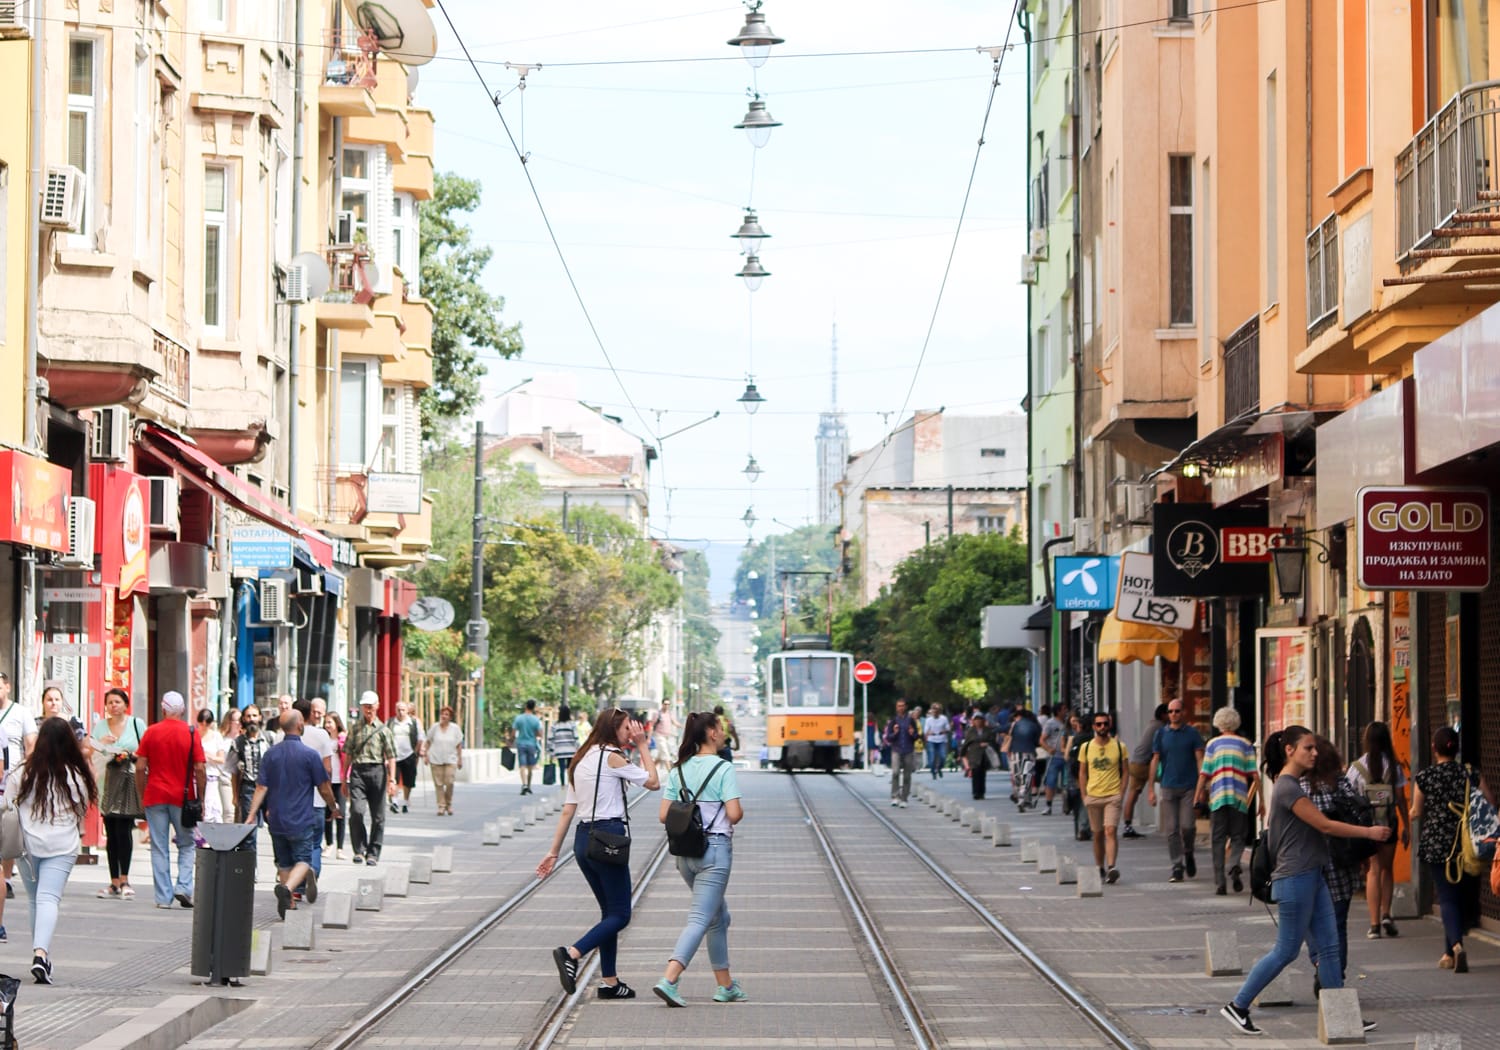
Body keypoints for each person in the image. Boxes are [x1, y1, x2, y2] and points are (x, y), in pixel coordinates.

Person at [1220, 726, 1389, 1036]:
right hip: (1295, 878)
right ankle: (1238, 1005)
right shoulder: (1287, 788)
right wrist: (1369, 832)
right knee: (1286, 950)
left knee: (1329, 949)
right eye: (1308, 748)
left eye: (1315, 748)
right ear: (1290, 751)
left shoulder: (1292, 784)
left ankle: (1341, 1015)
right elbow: (1325, 825)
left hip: (1313, 875)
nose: (1315, 753)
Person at [537, 708, 660, 1000]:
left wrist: (553, 852)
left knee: (610, 914)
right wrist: (643, 745)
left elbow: (568, 810)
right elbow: (654, 782)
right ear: (612, 729)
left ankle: (610, 982)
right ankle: (572, 953)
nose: (630, 733)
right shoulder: (612, 757)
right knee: (621, 914)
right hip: (608, 839)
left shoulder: (581, 759)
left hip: (584, 841)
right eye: (626, 728)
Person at [653, 711, 745, 1007]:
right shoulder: (723, 768)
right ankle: (669, 979)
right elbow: (734, 814)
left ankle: (726, 986)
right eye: (720, 728)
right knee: (700, 918)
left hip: (686, 856)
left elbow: (664, 815)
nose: (723, 732)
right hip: (714, 852)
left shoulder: (679, 769)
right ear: (711, 733)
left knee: (719, 917)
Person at [3, 717, 97, 984]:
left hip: (27, 846)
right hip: (62, 846)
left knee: (36, 899)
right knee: (48, 899)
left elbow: (7, 804)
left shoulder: (23, 771)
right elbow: (82, 809)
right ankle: (40, 954)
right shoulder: (76, 775)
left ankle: (40, 953)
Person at [1409, 726, 1493, 974]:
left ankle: (1455, 945)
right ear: (1456, 748)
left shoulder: (1425, 777)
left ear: (1434, 749)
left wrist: (1411, 814)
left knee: (1446, 897)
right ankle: (1449, 953)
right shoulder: (1470, 773)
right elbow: (1490, 801)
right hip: (1466, 844)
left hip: (1437, 845)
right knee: (1458, 897)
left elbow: (1417, 811)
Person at [243, 711, 337, 918]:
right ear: (300, 725)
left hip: (276, 819)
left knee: (284, 862)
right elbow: (323, 787)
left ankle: (289, 904)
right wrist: (333, 805)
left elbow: (261, 787)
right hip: (301, 818)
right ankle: (287, 889)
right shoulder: (310, 755)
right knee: (304, 860)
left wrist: (252, 813)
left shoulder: (271, 754)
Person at [1301, 735, 1367, 994]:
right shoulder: (1342, 784)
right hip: (1342, 863)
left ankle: (1319, 960)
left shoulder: (1300, 787)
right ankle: (1335, 973)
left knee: (1308, 919)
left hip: (1311, 864)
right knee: (1338, 923)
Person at [135, 691, 207, 909]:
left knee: (159, 847)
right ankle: (183, 886)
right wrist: (201, 798)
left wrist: (142, 793)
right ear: (183, 710)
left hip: (155, 795)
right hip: (183, 798)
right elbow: (200, 768)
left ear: (163, 709)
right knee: (187, 843)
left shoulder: (151, 732)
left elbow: (140, 767)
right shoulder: (191, 733)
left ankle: (163, 898)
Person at [1346, 721, 1409, 940]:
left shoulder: (1357, 767)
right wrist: (1406, 826)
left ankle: (1374, 925)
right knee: (1386, 869)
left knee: (1372, 870)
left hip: (1368, 826)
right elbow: (1400, 799)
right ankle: (1386, 914)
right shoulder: (1394, 766)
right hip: (1389, 823)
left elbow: (1349, 796)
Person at [88, 687, 145, 901]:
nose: (113, 706)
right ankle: (114, 881)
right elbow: (91, 751)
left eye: (117, 702)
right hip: (106, 784)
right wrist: (103, 744)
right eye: (110, 702)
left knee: (124, 829)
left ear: (126, 705)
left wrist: (130, 754)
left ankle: (125, 879)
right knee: (111, 831)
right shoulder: (101, 727)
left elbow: (146, 750)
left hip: (128, 783)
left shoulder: (136, 724)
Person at [1196, 706, 1259, 895]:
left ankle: (1220, 882)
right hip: (1239, 797)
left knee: (1217, 839)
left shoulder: (1212, 744)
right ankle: (1234, 864)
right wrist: (1262, 801)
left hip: (1218, 797)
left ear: (1218, 723)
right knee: (1238, 836)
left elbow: (1204, 773)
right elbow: (1254, 775)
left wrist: (1197, 795)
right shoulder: (1245, 744)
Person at [1147, 701, 1205, 882]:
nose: (1173, 714)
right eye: (1170, 711)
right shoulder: (1161, 734)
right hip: (1168, 786)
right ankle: (1177, 865)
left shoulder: (1192, 733)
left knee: (1187, 826)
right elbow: (1155, 760)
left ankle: (1188, 851)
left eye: (1177, 711)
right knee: (1171, 829)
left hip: (1189, 787)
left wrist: (1202, 786)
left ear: (1183, 712)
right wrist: (1151, 789)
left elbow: (1200, 759)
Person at [0, 671, 38, 920]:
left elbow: (30, 744)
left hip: (12, 781)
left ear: (7, 687)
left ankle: (6, 876)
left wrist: (25, 773)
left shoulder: (21, 713)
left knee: (9, 829)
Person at [343, 691, 397, 866]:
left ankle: (373, 853)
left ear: (377, 706)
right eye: (365, 706)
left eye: (371, 706)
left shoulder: (384, 730)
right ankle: (359, 849)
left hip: (377, 772)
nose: (368, 709)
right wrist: (344, 778)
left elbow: (391, 756)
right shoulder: (354, 729)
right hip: (358, 772)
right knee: (356, 811)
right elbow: (348, 754)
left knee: (378, 816)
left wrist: (392, 780)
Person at [1078, 712, 1128, 884]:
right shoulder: (1086, 747)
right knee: (1098, 834)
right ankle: (1100, 866)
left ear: (1109, 725)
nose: (1102, 727)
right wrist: (1084, 795)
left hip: (1112, 796)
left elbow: (1126, 771)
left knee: (1110, 830)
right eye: (1098, 724)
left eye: (1105, 724)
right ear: (1094, 726)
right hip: (1093, 796)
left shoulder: (1120, 746)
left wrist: (1121, 792)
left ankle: (1111, 867)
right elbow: (1082, 773)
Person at [294, 699, 335, 884]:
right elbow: (328, 769)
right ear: (310, 713)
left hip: (291, 801)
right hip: (317, 798)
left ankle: (297, 881)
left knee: (295, 842)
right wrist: (331, 800)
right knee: (315, 843)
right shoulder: (321, 735)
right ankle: (313, 870)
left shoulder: (281, 737)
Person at [1122, 703, 1168, 838]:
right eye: (1169, 712)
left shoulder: (1152, 724)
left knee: (1133, 794)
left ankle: (1127, 826)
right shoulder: (1161, 727)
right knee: (1169, 780)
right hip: (1144, 765)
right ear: (1163, 715)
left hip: (1135, 763)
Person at [229, 705, 268, 826]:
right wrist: (235, 796)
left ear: (260, 717)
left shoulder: (269, 738)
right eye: (248, 716)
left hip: (268, 787)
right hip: (248, 788)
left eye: (254, 715)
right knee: (249, 825)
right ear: (244, 719)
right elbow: (233, 770)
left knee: (273, 823)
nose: (252, 719)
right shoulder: (238, 742)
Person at [425, 706, 464, 816]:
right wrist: (425, 754)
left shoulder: (455, 728)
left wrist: (460, 759)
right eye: (442, 714)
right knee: (439, 784)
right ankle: (441, 806)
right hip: (436, 759)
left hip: (451, 759)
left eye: (446, 714)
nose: (443, 716)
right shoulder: (434, 727)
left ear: (450, 717)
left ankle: (449, 804)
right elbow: (428, 741)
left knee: (449, 782)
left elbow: (459, 745)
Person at [389, 701, 425, 814]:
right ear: (395, 710)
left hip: (409, 754)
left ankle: (405, 801)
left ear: (407, 711)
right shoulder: (390, 722)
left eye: (403, 710)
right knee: (393, 779)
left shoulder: (414, 722)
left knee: (408, 781)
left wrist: (416, 752)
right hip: (394, 755)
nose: (401, 712)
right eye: (398, 710)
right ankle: (395, 801)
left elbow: (420, 737)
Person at [883, 700, 921, 807]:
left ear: (906, 707)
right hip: (896, 750)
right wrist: (895, 733)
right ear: (896, 708)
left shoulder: (911, 720)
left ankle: (904, 798)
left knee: (907, 775)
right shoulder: (893, 721)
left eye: (902, 706)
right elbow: (888, 738)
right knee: (895, 772)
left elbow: (916, 736)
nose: (901, 708)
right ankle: (895, 796)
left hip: (908, 750)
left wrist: (912, 733)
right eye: (899, 706)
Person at [1004, 707, 1042, 811]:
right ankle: (1024, 799)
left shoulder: (1014, 725)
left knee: (1018, 777)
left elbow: (1000, 730)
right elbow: (1037, 741)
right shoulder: (1034, 726)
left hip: (1015, 754)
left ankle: (1021, 798)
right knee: (1026, 777)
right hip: (1029, 753)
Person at [323, 712, 349, 855]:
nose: (327, 725)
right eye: (326, 722)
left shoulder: (343, 738)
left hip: (340, 780)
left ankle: (340, 848)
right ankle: (329, 844)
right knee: (327, 814)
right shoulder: (323, 739)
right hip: (327, 781)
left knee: (341, 813)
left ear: (337, 723)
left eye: (330, 722)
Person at [196, 708, 227, 823]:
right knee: (208, 805)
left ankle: (207, 826)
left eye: (207, 723)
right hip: (196, 775)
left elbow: (221, 759)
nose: (204, 726)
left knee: (209, 805)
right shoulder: (194, 735)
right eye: (201, 723)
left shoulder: (216, 736)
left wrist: (209, 757)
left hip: (211, 775)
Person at [958, 715, 998, 800]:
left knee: (982, 774)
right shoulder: (970, 731)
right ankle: (975, 792)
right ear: (974, 722)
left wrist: (987, 743)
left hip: (984, 754)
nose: (978, 723)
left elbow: (993, 741)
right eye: (976, 721)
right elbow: (966, 743)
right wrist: (962, 754)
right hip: (974, 754)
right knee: (975, 773)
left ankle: (981, 792)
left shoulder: (988, 730)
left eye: (980, 721)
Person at [1039, 705, 1067, 815]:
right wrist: (1049, 749)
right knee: (1051, 781)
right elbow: (1042, 740)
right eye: (1064, 709)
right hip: (1054, 757)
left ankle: (1066, 805)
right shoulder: (1050, 723)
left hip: (1066, 756)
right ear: (1058, 711)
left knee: (1066, 782)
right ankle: (1048, 805)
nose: (1066, 711)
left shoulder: (1068, 722)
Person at [214, 711, 239, 822]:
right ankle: (229, 833)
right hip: (226, 780)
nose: (239, 723)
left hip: (240, 781)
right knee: (229, 812)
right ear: (229, 722)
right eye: (236, 720)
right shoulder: (221, 739)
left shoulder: (243, 739)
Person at [513, 700, 542, 796]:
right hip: (531, 744)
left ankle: (524, 784)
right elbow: (540, 734)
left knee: (522, 765)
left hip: (521, 743)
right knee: (530, 766)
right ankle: (528, 785)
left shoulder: (519, 718)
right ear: (533, 708)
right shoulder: (535, 720)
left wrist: (510, 741)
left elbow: (513, 732)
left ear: (526, 706)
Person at [548, 705, 579, 789]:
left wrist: (551, 751)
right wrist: (578, 749)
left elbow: (551, 739)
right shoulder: (572, 724)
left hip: (559, 750)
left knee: (561, 768)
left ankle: (562, 785)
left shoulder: (555, 725)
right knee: (570, 768)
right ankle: (570, 785)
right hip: (571, 750)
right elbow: (576, 738)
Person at [922, 704, 950, 780]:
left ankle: (939, 768)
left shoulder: (944, 718)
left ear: (940, 711)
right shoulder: (928, 720)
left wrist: (943, 731)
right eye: (934, 709)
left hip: (941, 740)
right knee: (931, 758)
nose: (935, 711)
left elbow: (948, 728)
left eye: (937, 709)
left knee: (943, 757)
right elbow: (925, 731)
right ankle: (933, 771)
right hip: (931, 740)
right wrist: (929, 733)